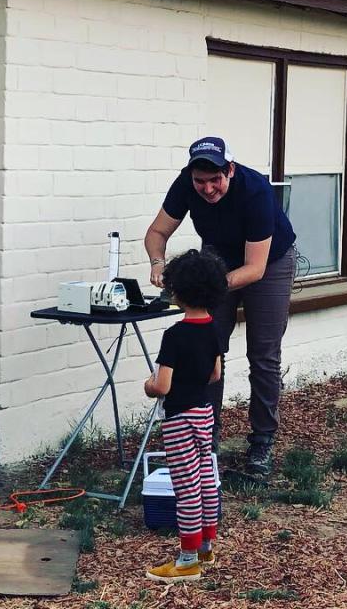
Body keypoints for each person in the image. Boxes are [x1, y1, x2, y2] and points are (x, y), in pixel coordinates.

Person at [144, 137, 296, 477]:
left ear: (230, 169)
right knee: (206, 346)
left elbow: (254, 269)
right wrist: (157, 262)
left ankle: (262, 442)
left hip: (269, 263)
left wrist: (200, 284)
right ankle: (204, 438)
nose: (208, 188)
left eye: (216, 180)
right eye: (200, 181)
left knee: (264, 354)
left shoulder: (255, 190)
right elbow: (157, 232)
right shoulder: (186, 184)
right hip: (217, 261)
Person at [143, 249, 228, 584]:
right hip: (205, 413)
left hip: (178, 418)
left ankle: (187, 559)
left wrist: (148, 385)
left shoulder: (175, 335)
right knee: (206, 476)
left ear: (177, 292)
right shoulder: (213, 330)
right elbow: (215, 375)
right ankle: (207, 544)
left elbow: (163, 385)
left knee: (186, 486)